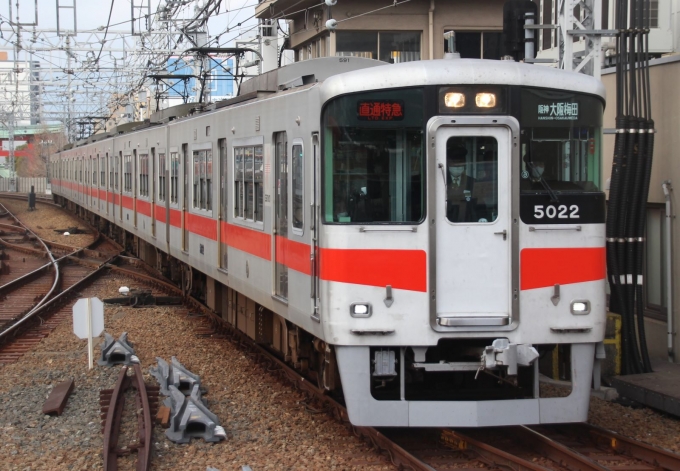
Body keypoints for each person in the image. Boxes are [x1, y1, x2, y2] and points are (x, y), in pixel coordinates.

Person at [446, 144, 478, 223]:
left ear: (464, 163)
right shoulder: (442, 181)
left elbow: (478, 205)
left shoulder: (472, 182)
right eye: (454, 162)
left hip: (468, 223)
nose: (457, 166)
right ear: (448, 163)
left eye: (460, 162)